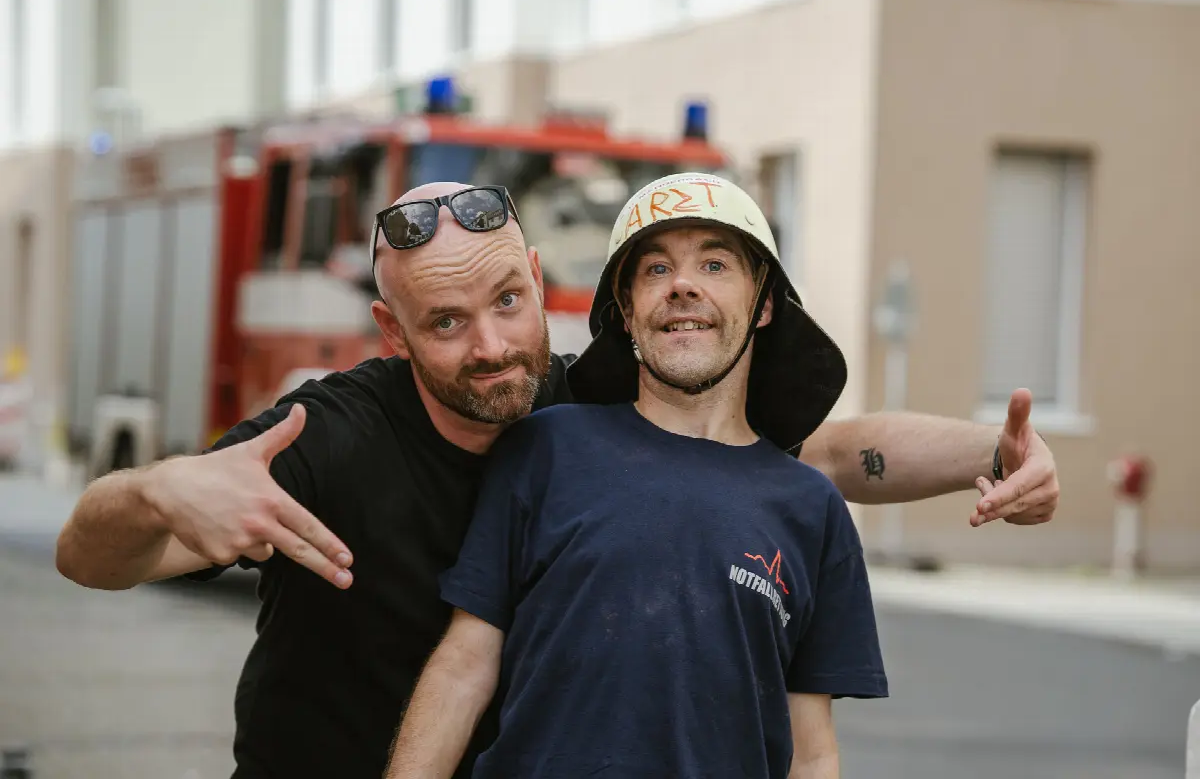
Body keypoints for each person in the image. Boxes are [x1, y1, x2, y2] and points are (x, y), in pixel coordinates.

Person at [54, 180, 1057, 779]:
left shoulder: (574, 408)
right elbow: (88, 555)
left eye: (507, 300)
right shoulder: (328, 438)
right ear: (392, 331)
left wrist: (997, 451)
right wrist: (154, 491)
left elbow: (825, 456)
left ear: (538, 277)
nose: (492, 347)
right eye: (446, 323)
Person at [385, 172, 885, 779]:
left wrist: (991, 456)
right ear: (625, 311)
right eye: (654, 270)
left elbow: (811, 751)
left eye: (716, 265)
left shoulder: (812, 509)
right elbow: (465, 665)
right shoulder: (546, 447)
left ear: (764, 305)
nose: (681, 286)